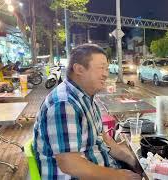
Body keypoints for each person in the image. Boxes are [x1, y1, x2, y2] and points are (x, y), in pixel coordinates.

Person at [33, 44, 141, 180]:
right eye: (101, 68)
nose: (106, 74)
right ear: (79, 69)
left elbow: (103, 139)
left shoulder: (87, 97)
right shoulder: (64, 104)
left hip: (104, 168)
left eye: (107, 69)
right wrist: (119, 176)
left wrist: (132, 160)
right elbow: (70, 164)